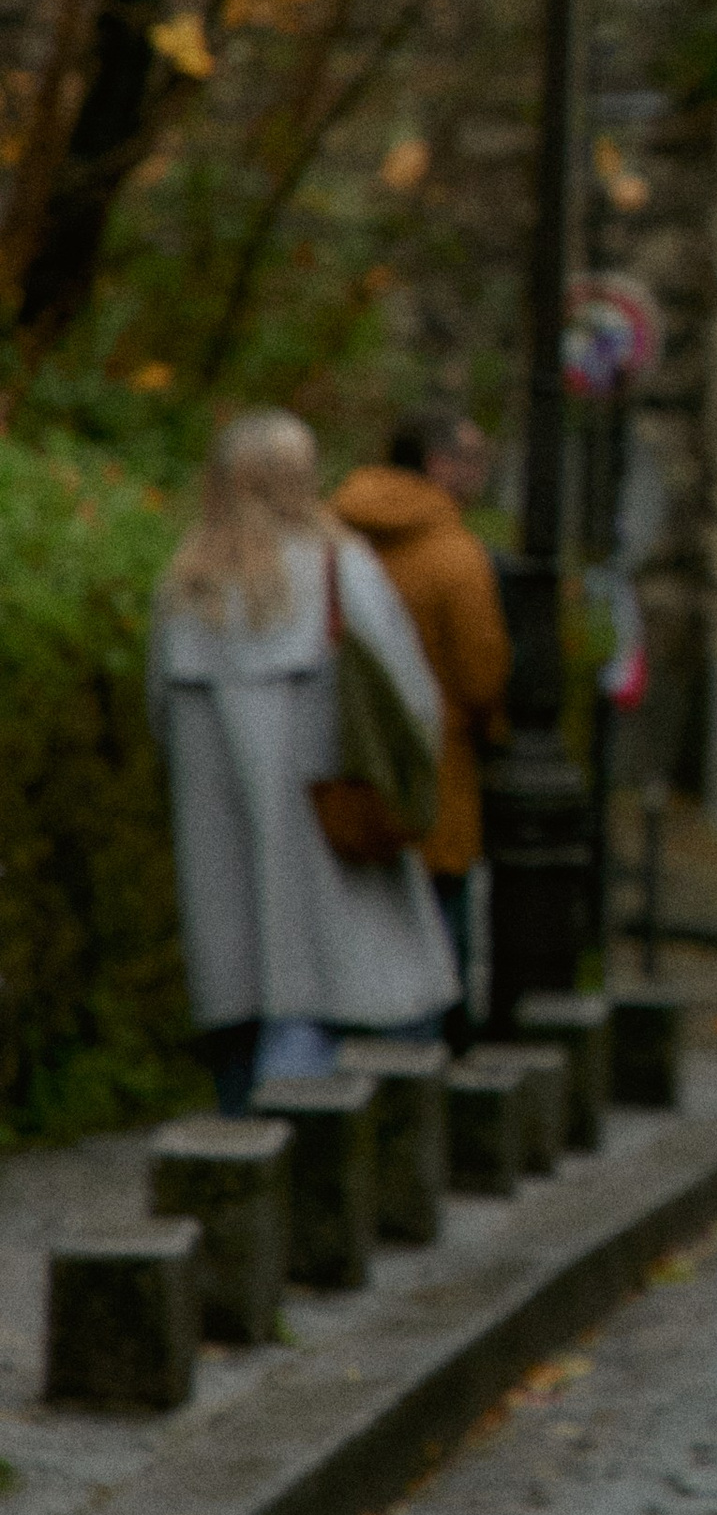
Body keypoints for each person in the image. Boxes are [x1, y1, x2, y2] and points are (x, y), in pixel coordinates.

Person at [152, 409, 458, 1117]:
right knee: (343, 993)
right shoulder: (338, 568)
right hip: (333, 836)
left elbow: (161, 721)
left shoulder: (184, 586)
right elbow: (410, 702)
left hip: (222, 855)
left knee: (243, 1003)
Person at [331, 406, 511, 1008]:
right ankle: (433, 1059)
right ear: (439, 465)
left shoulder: (335, 537)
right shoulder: (455, 554)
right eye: (473, 460)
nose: (480, 475)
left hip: (343, 765)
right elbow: (483, 677)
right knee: (440, 925)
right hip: (437, 769)